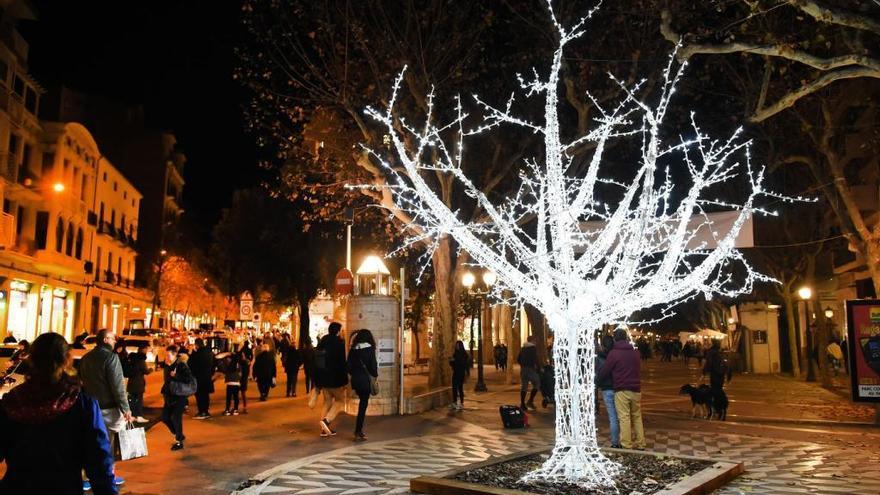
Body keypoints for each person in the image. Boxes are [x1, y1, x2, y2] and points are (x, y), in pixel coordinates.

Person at [0, 333, 117, 495]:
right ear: (66, 360)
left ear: (31, 360)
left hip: (16, 488)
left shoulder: (13, 401)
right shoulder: (81, 404)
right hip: (64, 488)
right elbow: (99, 461)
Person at [79, 329, 130, 487]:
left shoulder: (86, 358)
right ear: (106, 340)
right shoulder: (111, 358)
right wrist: (125, 408)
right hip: (108, 408)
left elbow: (82, 383)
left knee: (90, 443)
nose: (115, 342)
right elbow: (117, 386)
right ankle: (108, 476)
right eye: (113, 339)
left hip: (89, 407)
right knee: (107, 444)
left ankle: (87, 477)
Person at [598, 328, 645, 450]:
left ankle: (626, 444)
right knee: (637, 416)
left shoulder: (614, 353)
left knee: (624, 417)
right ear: (626, 338)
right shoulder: (635, 352)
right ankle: (641, 443)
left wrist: (597, 381)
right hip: (636, 388)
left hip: (622, 388)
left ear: (615, 339)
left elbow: (605, 371)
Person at [316, 322, 347, 436]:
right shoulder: (339, 343)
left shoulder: (322, 341)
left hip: (324, 378)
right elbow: (342, 363)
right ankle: (326, 420)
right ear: (338, 331)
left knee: (327, 402)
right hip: (336, 378)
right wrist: (345, 380)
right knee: (339, 401)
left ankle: (324, 429)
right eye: (341, 330)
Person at [348, 329, 378, 441]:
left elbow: (348, 367)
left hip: (356, 380)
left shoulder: (353, 349)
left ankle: (358, 430)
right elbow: (373, 366)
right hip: (365, 381)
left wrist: (355, 374)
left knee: (362, 402)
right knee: (363, 405)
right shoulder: (370, 349)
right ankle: (358, 431)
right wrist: (374, 375)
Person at [161, 345, 192, 451]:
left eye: (168, 355)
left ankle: (179, 441)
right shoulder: (167, 365)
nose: (166, 357)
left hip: (179, 396)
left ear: (174, 355)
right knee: (165, 417)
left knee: (175, 417)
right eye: (166, 354)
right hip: (169, 395)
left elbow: (188, 379)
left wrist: (176, 376)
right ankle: (178, 433)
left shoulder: (181, 365)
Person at [596, 335, 620, 448]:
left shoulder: (599, 357)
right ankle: (624, 440)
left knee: (613, 416)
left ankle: (615, 442)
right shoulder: (617, 355)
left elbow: (598, 373)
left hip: (606, 388)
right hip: (618, 388)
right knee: (622, 415)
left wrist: (597, 383)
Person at [189, 338, 215, 419]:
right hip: (207, 377)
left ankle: (202, 412)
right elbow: (214, 364)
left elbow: (191, 364)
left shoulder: (197, 354)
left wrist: (191, 353)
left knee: (200, 395)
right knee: (205, 395)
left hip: (199, 378)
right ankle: (205, 411)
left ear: (196, 345)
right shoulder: (209, 353)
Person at [126, 345, 152, 424]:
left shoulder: (132, 359)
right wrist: (150, 369)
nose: (147, 351)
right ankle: (139, 416)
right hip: (138, 383)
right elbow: (145, 371)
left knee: (132, 400)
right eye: (146, 349)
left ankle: (132, 416)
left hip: (131, 383)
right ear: (143, 349)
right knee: (139, 400)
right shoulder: (141, 360)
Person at [517, 335, 542, 410]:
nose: (537, 342)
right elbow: (535, 359)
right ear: (533, 340)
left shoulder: (523, 348)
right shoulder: (533, 348)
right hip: (530, 369)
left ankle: (522, 404)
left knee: (524, 386)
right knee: (537, 383)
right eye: (536, 340)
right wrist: (539, 368)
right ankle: (530, 401)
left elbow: (518, 359)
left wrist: (522, 365)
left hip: (523, 369)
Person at [449, 340, 469, 411]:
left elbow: (464, 364)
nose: (457, 347)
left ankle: (461, 402)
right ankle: (454, 402)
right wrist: (451, 361)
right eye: (456, 345)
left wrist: (455, 361)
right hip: (455, 373)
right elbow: (452, 364)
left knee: (460, 388)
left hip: (461, 373)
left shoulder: (464, 354)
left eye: (458, 345)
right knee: (454, 388)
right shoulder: (455, 353)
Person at [237, 340, 254, 413]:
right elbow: (252, 356)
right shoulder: (245, 363)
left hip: (238, 379)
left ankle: (236, 407)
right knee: (243, 394)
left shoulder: (238, 362)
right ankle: (245, 407)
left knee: (236, 394)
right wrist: (250, 360)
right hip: (243, 380)